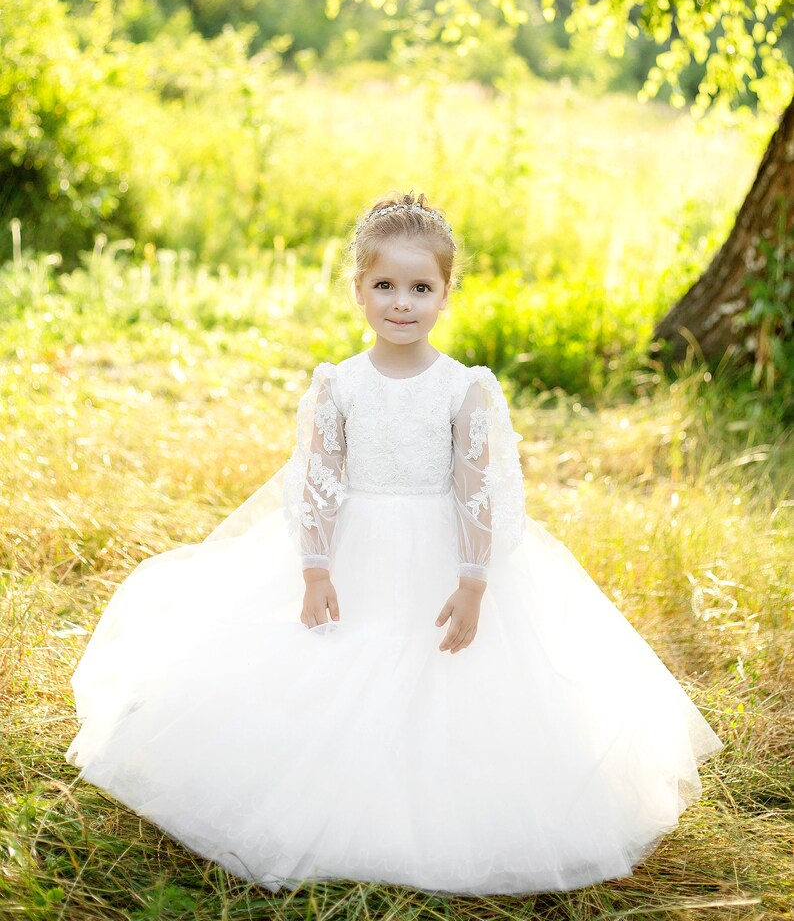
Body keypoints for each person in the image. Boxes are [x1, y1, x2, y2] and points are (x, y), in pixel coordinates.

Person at [65, 191, 724, 897]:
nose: (401, 302)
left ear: (445, 293)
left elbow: (479, 492)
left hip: (440, 558)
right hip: (356, 552)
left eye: (420, 287)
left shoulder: (463, 389)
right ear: (359, 290)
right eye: (385, 285)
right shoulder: (337, 386)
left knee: (451, 677)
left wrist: (474, 582)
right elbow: (317, 483)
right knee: (331, 661)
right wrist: (315, 570)